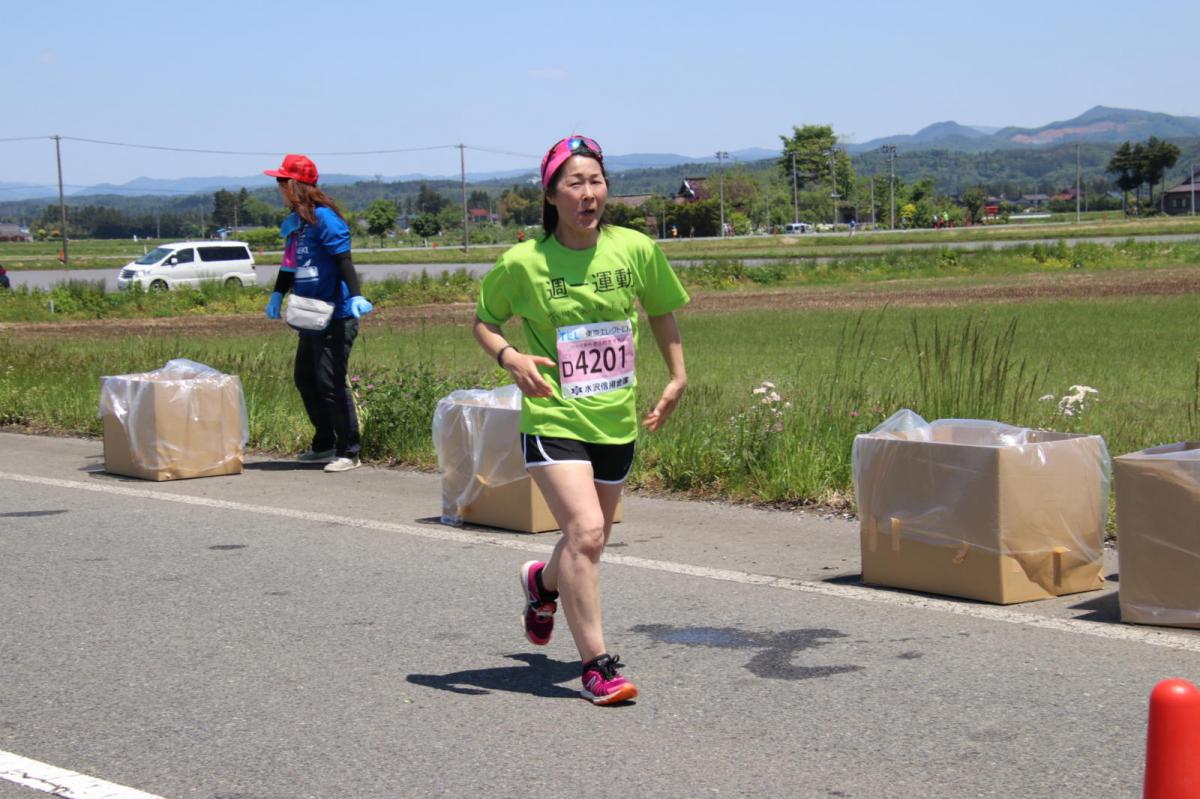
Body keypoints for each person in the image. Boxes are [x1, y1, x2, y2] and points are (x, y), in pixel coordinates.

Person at [473, 135, 689, 705]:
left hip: (614, 418)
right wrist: (511, 357)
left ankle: (542, 584)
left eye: (596, 181)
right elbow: (484, 322)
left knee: (587, 541)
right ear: (551, 195)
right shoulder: (524, 262)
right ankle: (597, 666)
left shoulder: (635, 249)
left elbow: (661, 310)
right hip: (553, 414)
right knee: (587, 532)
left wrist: (677, 376)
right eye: (575, 183)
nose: (588, 193)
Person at [262, 154, 374, 473]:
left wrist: (356, 295)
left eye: (281, 183)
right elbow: (289, 265)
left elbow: (343, 260)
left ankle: (349, 450)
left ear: (294, 185)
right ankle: (324, 443)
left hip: (335, 315)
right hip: (310, 315)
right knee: (305, 378)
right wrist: (277, 294)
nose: (279, 189)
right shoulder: (296, 223)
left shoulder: (325, 218)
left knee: (330, 381)